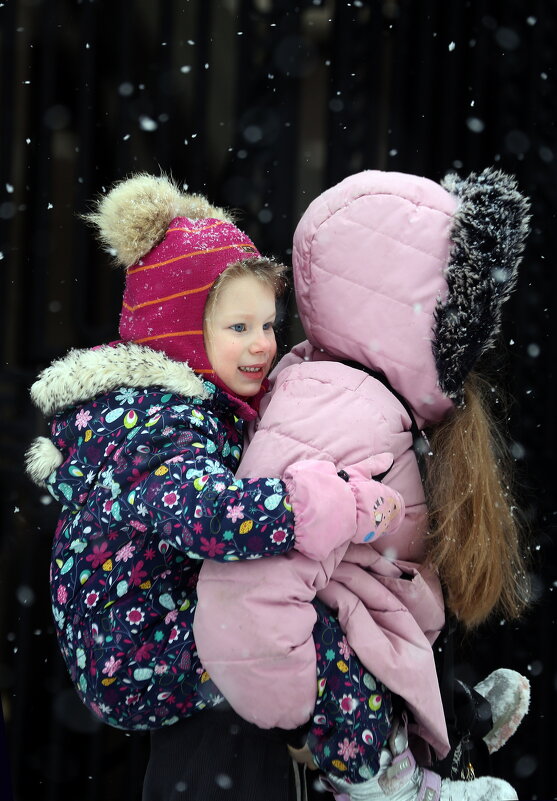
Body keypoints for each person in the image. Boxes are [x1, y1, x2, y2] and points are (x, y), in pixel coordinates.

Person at [24, 173, 406, 799]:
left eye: (269, 325)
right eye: (238, 328)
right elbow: (213, 517)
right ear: (178, 328)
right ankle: (382, 778)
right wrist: (323, 503)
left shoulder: (184, 408)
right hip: (140, 651)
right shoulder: (156, 422)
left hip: (145, 636)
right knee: (310, 630)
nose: (262, 345)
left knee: (296, 614)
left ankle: (420, 724)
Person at [193, 168, 533, 801]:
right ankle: (392, 779)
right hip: (335, 698)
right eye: (459, 310)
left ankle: (439, 722)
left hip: (369, 647)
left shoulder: (350, 389)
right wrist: (315, 713)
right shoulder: (344, 408)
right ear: (409, 308)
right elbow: (246, 591)